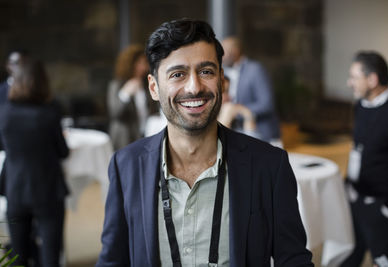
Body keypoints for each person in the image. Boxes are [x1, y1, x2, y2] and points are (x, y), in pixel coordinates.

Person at [96, 18, 313, 267]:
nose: (194, 87)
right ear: (154, 87)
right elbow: (112, 261)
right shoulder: (126, 167)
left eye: (206, 71)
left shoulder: (269, 165)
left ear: (222, 80)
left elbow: (293, 260)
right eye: (178, 74)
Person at [0, 58, 69, 267]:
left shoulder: (5, 113)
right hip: (47, 189)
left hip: (15, 188)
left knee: (18, 256)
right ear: (42, 81)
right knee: (50, 256)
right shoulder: (49, 113)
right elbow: (62, 152)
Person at [342, 51, 388, 267]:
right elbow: (358, 148)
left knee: (383, 260)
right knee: (348, 255)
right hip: (355, 197)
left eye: (354, 77)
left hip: (382, 206)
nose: (349, 83)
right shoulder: (360, 105)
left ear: (372, 79)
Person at [221, 36, 281, 144]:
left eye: (224, 51)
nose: (220, 56)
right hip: (234, 133)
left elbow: (266, 104)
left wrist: (237, 111)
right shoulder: (223, 71)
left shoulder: (255, 69)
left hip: (260, 133)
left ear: (235, 51)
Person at [107, 44, 158, 150]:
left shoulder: (146, 83)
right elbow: (115, 113)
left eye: (145, 63)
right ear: (130, 64)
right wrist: (125, 93)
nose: (144, 67)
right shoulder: (117, 85)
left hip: (145, 134)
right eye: (140, 63)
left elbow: (152, 109)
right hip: (125, 138)